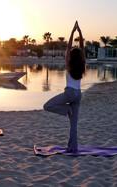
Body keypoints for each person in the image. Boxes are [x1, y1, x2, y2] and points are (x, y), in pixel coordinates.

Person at [43, 21, 86, 153]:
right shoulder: (82, 64)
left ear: (70, 56)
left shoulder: (69, 64)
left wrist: (73, 32)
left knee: (47, 106)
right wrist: (79, 33)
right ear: (80, 57)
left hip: (70, 94)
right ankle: (73, 148)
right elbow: (82, 48)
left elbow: (68, 48)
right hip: (78, 94)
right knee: (74, 125)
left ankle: (66, 109)